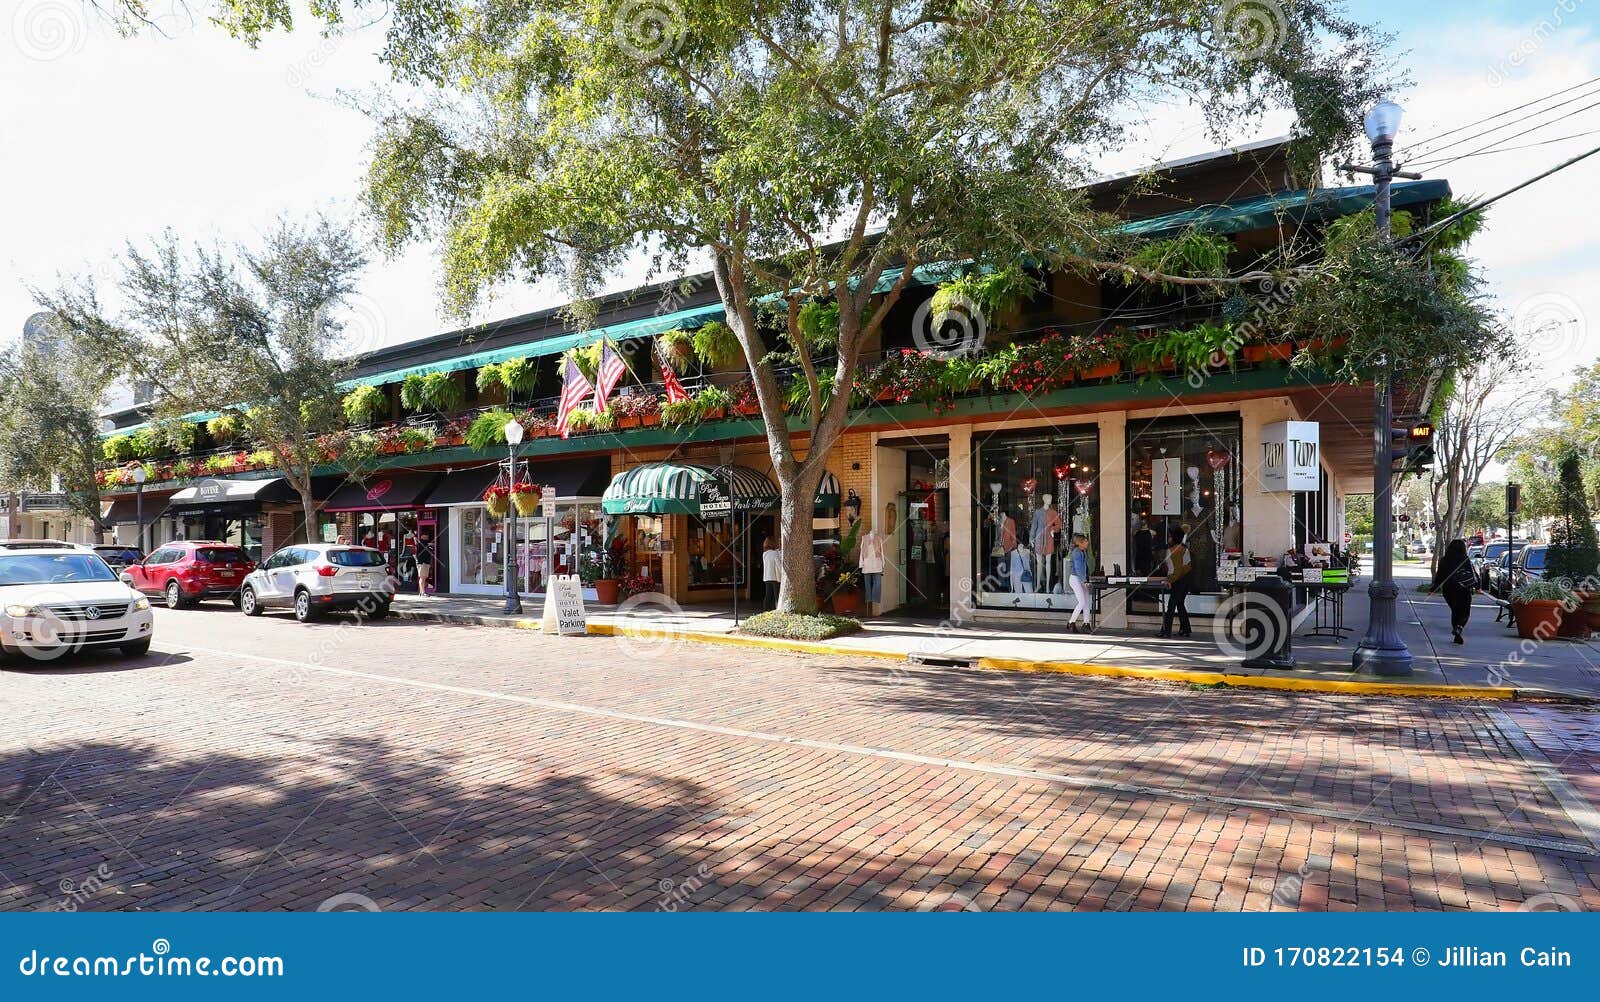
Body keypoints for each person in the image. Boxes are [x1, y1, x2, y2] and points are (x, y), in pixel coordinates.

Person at [1431, 538, 1479, 645]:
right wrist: (1477, 586)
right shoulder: (1465, 559)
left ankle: (1456, 630)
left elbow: (1439, 576)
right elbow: (1472, 574)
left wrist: (1433, 589)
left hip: (1448, 589)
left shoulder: (1444, 560)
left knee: (1455, 610)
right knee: (1465, 611)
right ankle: (1459, 627)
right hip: (1463, 588)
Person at [1154, 525, 1192, 638]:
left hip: (1177, 580)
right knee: (1180, 604)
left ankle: (1166, 631)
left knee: (1171, 606)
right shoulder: (1185, 549)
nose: (1169, 539)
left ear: (1174, 537)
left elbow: (1174, 569)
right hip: (1186, 579)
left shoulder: (1171, 551)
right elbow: (1188, 566)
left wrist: (1169, 580)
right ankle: (1185, 629)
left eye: (1170, 536)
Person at [857, 524, 886, 616]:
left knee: (878, 582)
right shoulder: (864, 538)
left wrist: (883, 563)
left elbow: (882, 552)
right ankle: (869, 598)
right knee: (867, 583)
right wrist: (861, 564)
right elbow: (861, 552)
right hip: (867, 564)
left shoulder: (879, 538)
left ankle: (875, 598)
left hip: (877, 564)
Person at [1067, 533, 1091, 633]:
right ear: (1080, 543)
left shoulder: (1083, 551)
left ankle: (1086, 623)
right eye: (1085, 541)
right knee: (1082, 602)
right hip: (1075, 579)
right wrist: (1084, 581)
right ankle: (1071, 622)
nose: (1087, 542)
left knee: (1086, 602)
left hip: (1081, 579)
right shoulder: (1076, 553)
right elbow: (1078, 568)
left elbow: (1084, 567)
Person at [761, 536, 782, 609]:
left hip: (767, 577)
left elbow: (774, 553)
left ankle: (766, 609)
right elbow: (779, 564)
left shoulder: (765, 554)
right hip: (775, 577)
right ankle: (778, 609)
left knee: (768, 595)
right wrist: (783, 574)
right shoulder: (775, 553)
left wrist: (778, 551)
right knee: (777, 595)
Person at [416, 531, 436, 595]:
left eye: (427, 535)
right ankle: (422, 592)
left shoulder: (426, 544)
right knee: (422, 577)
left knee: (424, 578)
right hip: (422, 563)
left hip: (426, 562)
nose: (427, 536)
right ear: (422, 536)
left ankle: (422, 591)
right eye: (425, 535)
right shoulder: (420, 544)